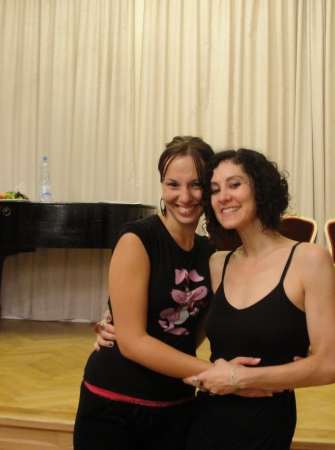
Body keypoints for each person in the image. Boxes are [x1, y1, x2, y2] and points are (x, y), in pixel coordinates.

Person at [73, 137, 269, 450]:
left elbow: (195, 332)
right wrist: (222, 375)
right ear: (162, 186)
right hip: (114, 404)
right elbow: (133, 343)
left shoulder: (211, 254)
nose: (185, 197)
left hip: (177, 405)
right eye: (173, 184)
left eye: (196, 185)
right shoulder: (138, 239)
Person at [182, 148, 335, 449]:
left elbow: (328, 366)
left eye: (234, 184)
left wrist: (238, 379)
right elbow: (176, 331)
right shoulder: (218, 263)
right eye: (214, 190)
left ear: (261, 189)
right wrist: (114, 324)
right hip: (206, 420)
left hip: (267, 427)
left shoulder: (310, 260)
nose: (223, 197)